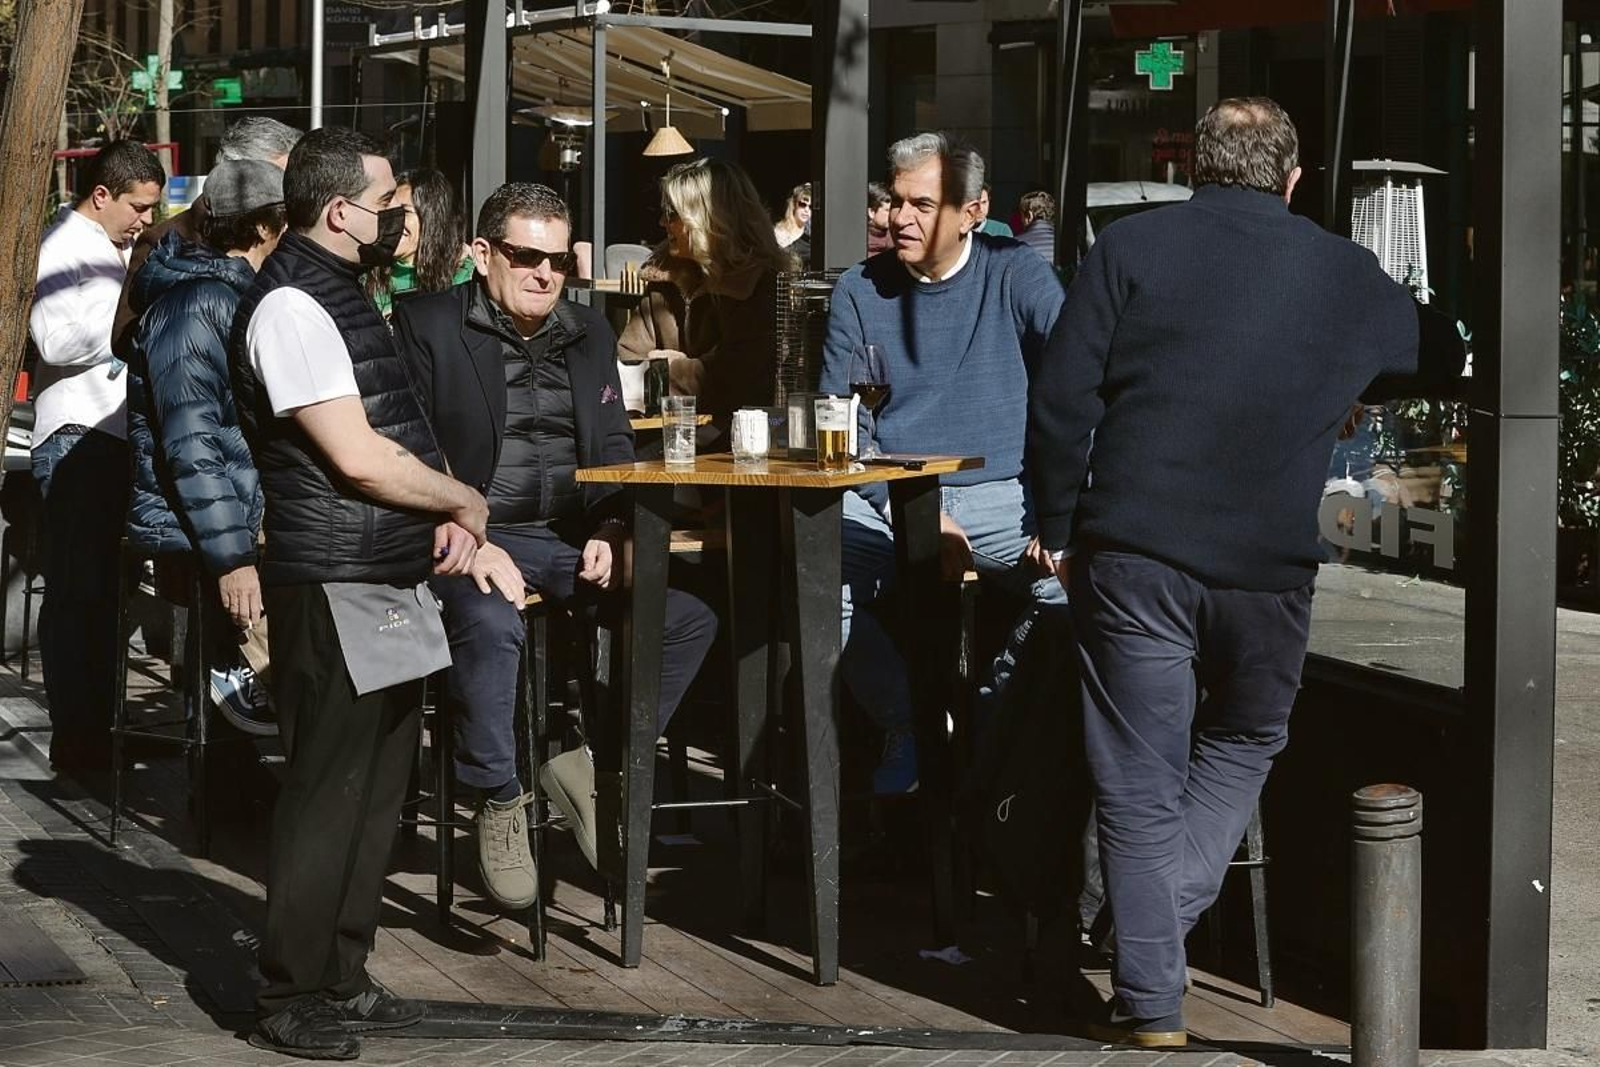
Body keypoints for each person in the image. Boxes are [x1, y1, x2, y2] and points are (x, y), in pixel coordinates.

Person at [1026, 98, 1466, 1048]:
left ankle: (1149, 993)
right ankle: (1141, 946)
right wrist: (1347, 382)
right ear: (1294, 178)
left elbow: (1063, 399)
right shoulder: (1341, 271)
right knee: (1246, 739)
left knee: (1138, 783)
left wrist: (1054, 523)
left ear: (1198, 167)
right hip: (1267, 569)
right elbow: (1443, 348)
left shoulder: (1131, 250)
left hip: (1135, 553)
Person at [229, 126, 489, 1060]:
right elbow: (355, 453)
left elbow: (396, 424)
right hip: (332, 574)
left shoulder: (344, 292)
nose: (400, 219)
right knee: (327, 790)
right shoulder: (294, 305)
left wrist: (447, 504)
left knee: (378, 785)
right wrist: (462, 496)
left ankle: (342, 970)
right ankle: (290, 991)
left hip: (381, 570)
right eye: (386, 205)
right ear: (339, 212)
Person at [395, 183, 717, 904]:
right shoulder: (427, 325)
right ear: (483, 255)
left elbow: (611, 444)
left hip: (564, 534)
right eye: (524, 256)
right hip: (462, 531)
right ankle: (500, 798)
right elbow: (407, 441)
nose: (544, 273)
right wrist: (472, 536)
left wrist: (612, 523)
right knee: (489, 618)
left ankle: (595, 764)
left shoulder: (588, 331)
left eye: (558, 260)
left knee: (687, 616)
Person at [819, 132, 1065, 794]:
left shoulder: (1015, 273)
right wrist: (918, 513)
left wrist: (1061, 512)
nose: (898, 218)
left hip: (1002, 496)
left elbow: (1077, 384)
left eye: (921, 205)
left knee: (1078, 591)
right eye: (895, 202)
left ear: (973, 210)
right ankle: (914, 723)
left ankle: (980, 725)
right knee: (804, 571)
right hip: (887, 496)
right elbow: (843, 426)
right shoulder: (860, 290)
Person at [125, 159, 286, 738]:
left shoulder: (230, 296)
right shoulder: (197, 305)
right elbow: (192, 445)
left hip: (235, 527)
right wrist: (233, 558)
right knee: (239, 708)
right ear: (267, 228)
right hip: (213, 538)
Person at [29, 139, 165, 772]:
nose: (144, 219)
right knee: (78, 593)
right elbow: (54, 338)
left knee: (105, 594)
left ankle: (96, 726)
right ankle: (77, 736)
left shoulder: (118, 247)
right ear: (102, 194)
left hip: (111, 438)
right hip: (75, 434)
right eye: (137, 207)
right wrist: (128, 306)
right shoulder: (62, 247)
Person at [617, 158, 790, 429]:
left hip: (738, 439)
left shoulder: (759, 285)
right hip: (662, 431)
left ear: (709, 218)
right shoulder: (663, 276)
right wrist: (686, 369)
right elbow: (626, 363)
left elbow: (736, 378)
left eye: (672, 213)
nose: (662, 221)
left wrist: (666, 367)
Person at [114, 117, 302, 358]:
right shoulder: (165, 243)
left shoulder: (292, 232)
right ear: (233, 176)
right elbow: (125, 339)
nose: (288, 190)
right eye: (277, 178)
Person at [368, 168, 474, 319]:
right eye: (390, 211)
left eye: (405, 212)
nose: (393, 221)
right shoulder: (367, 275)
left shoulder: (463, 276)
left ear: (432, 219)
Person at [774, 181, 812, 267]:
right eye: (802, 204)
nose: (807, 210)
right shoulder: (777, 232)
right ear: (794, 205)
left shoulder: (809, 237)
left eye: (810, 207)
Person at [1015, 190, 1057, 265]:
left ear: (1029, 215)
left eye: (1021, 216)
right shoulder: (1067, 243)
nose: (1021, 220)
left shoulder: (1015, 244)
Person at [867, 181, 894, 256]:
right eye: (887, 210)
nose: (892, 215)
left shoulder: (895, 237)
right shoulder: (861, 243)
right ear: (872, 212)